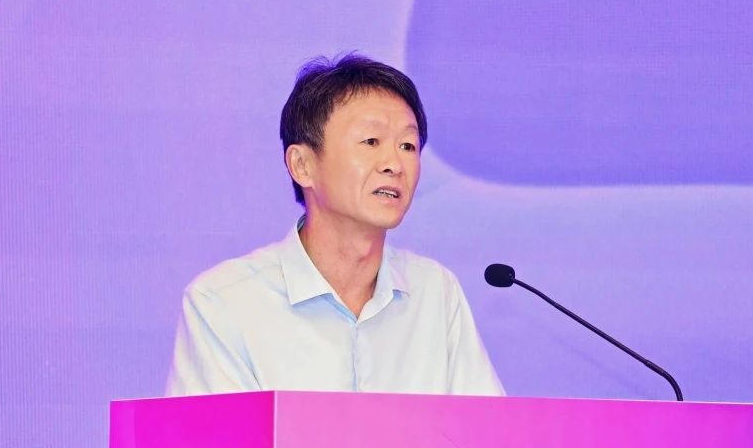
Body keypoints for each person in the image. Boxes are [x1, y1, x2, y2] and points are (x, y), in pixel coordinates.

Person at [165, 54, 504, 396]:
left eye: (408, 145)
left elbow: (486, 426)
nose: (394, 164)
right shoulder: (225, 303)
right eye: (371, 142)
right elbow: (212, 432)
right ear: (302, 165)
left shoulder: (435, 293)